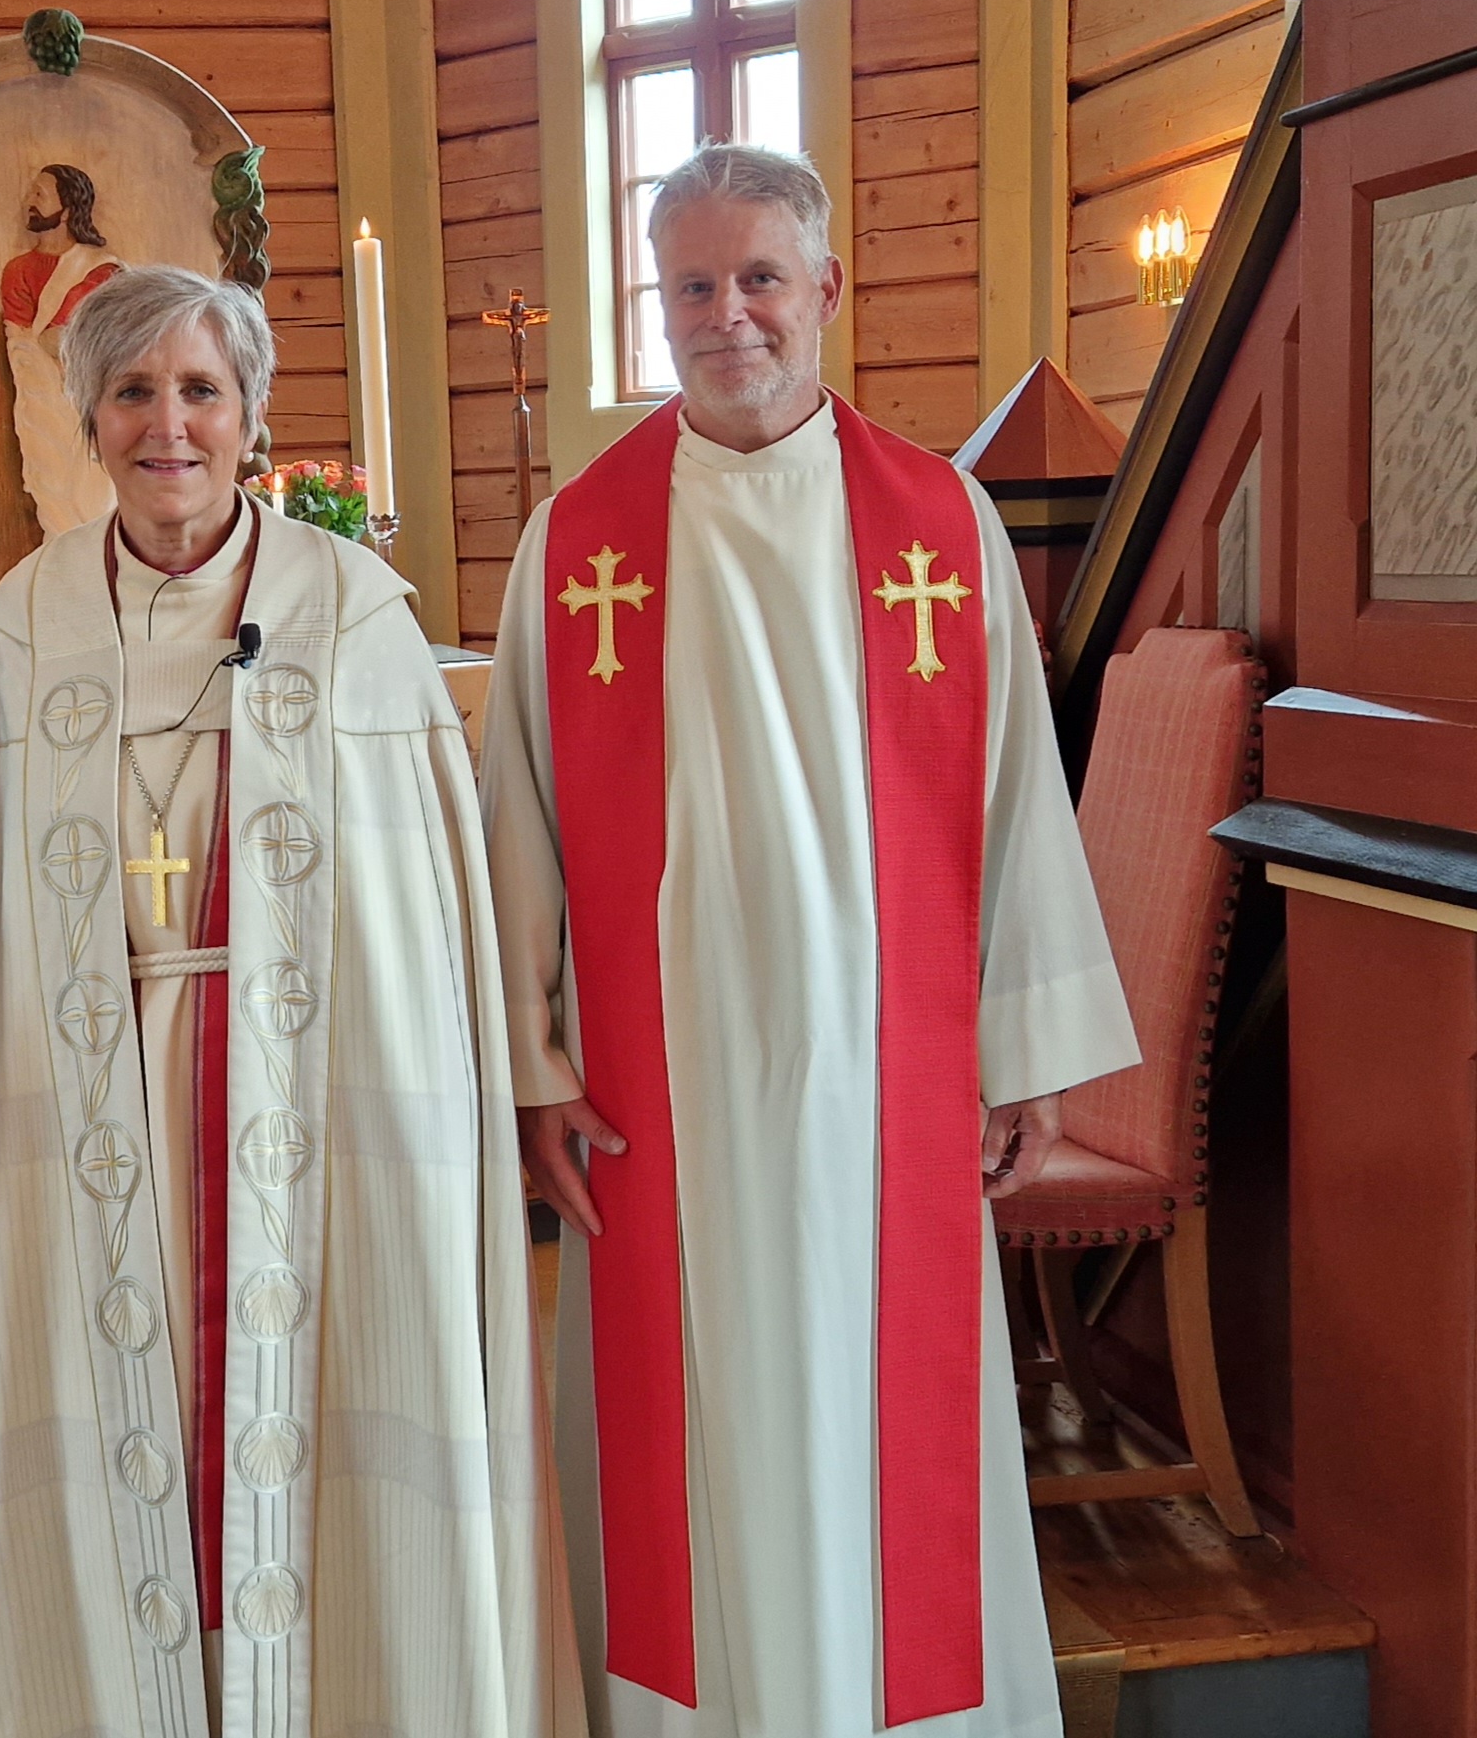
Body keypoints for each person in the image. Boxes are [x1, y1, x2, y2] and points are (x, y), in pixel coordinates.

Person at [481, 143, 1140, 1738]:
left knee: (880, 1411)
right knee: (694, 1425)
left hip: (884, 1076)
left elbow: (1010, 799)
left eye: (760, 278)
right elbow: (521, 823)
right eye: (692, 287)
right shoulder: (580, 542)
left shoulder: (940, 520)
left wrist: (1027, 1049)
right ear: (660, 306)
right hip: (666, 1081)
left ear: (827, 289)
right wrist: (538, 1061)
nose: (729, 317)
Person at [0, 264, 580, 1738]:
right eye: (134, 392)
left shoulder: (355, 618)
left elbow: (420, 919)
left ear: (253, 414)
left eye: (202, 389)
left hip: (324, 1110)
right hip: (88, 1114)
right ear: (86, 417)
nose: (170, 425)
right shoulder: (21, 635)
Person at [4, 163, 124, 537]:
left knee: (93, 486)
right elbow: (25, 343)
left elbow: (68, 336)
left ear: (68, 208)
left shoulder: (102, 269)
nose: (29, 202)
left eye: (40, 194)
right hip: (40, 402)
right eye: (31, 194)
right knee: (51, 485)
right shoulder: (18, 270)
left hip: (90, 399)